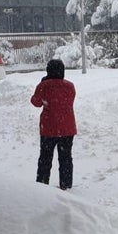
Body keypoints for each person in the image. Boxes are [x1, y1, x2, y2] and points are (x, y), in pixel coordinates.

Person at [30, 59, 76, 190]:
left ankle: (42, 184)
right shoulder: (70, 86)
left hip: (49, 128)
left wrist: (42, 83)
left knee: (45, 157)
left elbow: (36, 102)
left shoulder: (43, 86)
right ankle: (66, 184)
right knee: (66, 157)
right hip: (67, 128)